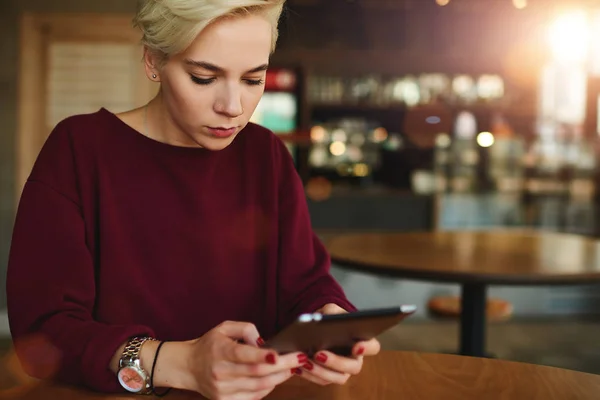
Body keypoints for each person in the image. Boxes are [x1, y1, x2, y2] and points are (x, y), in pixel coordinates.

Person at [6, 0, 381, 398]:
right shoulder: (79, 149)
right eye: (204, 78)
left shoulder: (265, 154)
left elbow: (305, 284)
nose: (233, 108)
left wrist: (329, 321)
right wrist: (182, 363)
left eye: (254, 80)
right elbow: (42, 333)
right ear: (153, 61)